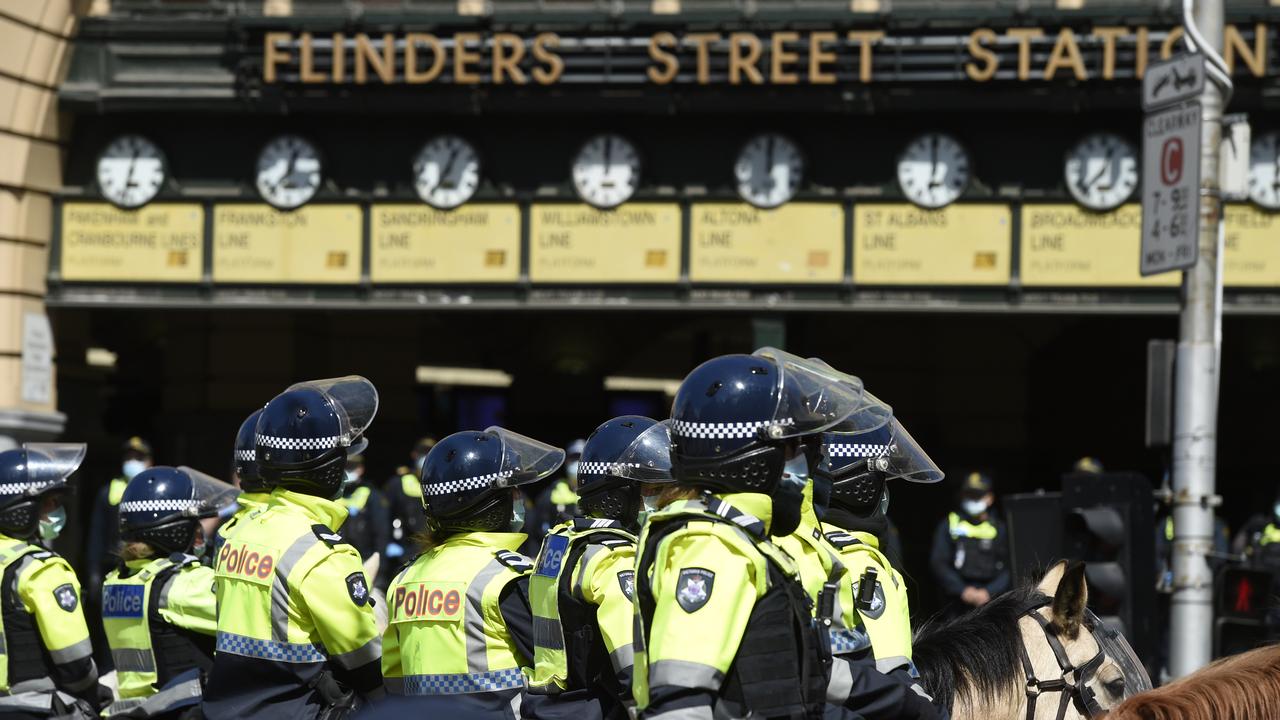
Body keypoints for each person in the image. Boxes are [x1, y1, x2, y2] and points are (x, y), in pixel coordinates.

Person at [634, 349, 942, 720]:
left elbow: (805, 674)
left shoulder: (748, 543)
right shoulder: (713, 551)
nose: (809, 466)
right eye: (793, 449)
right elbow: (678, 708)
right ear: (753, 457)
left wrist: (913, 707)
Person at [203, 377, 383, 719]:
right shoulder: (321, 553)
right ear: (330, 469)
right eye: (342, 460)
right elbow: (365, 662)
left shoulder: (240, 532)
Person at [381, 426, 561, 719]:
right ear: (490, 503)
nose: (518, 498)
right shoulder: (508, 578)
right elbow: (558, 677)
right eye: (512, 490)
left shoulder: (404, 580)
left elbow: (393, 681)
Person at [526, 417, 674, 720]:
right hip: (601, 709)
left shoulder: (561, 542)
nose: (665, 498)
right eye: (655, 488)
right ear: (620, 494)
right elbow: (632, 664)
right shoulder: (613, 556)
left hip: (554, 705)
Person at [818, 412, 943, 701]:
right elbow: (892, 678)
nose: (885, 490)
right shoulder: (862, 565)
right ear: (863, 485)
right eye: (882, 479)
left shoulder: (810, 547)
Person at [101, 465, 239, 718]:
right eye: (193, 523)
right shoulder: (183, 584)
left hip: (131, 710)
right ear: (174, 529)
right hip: (180, 710)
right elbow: (253, 611)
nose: (199, 532)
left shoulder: (118, 581)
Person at [0, 442, 102, 718]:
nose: (58, 512)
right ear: (22, 509)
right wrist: (94, 693)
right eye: (51, 503)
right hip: (33, 706)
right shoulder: (42, 570)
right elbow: (76, 664)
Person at [929, 471, 1009, 620]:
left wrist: (989, 592)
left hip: (991, 602)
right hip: (956, 604)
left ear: (990, 498)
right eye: (969, 495)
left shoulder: (1000, 528)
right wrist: (962, 590)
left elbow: (1010, 566)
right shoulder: (950, 524)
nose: (973, 500)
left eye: (977, 495)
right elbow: (938, 562)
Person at [87, 437, 153, 601]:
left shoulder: (156, 490)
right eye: (129, 458)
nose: (132, 462)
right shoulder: (109, 491)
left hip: (147, 564)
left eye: (138, 458)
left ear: (150, 461)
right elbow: (97, 533)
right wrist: (94, 571)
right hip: (113, 564)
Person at [523, 440, 584, 556]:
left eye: (580, 458)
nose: (576, 463)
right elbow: (534, 531)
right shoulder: (551, 494)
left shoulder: (595, 494)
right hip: (554, 555)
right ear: (566, 462)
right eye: (573, 458)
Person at [383, 437, 435, 572]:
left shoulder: (442, 483)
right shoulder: (398, 483)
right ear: (414, 455)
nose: (425, 457)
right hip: (406, 553)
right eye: (423, 453)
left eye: (430, 453)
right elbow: (386, 517)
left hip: (434, 551)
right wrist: (389, 543)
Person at [339, 453, 392, 570]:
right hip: (338, 559)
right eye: (346, 467)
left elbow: (381, 533)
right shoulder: (333, 494)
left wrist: (380, 567)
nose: (348, 471)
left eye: (352, 467)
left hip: (365, 560)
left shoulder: (372, 494)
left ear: (360, 469)